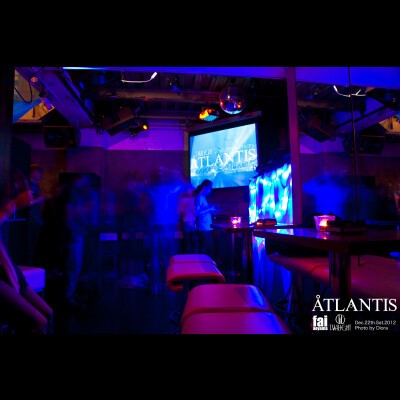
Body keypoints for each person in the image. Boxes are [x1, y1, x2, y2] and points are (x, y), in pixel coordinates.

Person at [0, 188, 53, 334]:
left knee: (48, 314)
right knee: (40, 321)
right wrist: (14, 205)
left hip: (7, 268)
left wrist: (13, 273)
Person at [194, 179, 219, 257]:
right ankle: (202, 263)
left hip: (207, 226)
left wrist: (211, 210)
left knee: (208, 248)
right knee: (204, 249)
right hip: (203, 227)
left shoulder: (202, 197)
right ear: (204, 187)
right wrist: (209, 208)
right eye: (209, 188)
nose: (210, 191)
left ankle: (206, 263)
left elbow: (203, 211)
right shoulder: (199, 198)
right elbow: (197, 213)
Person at [178, 184, 198, 254]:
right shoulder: (184, 199)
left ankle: (192, 255)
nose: (192, 191)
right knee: (188, 240)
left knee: (192, 240)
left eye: (192, 190)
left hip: (191, 221)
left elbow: (194, 211)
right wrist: (187, 209)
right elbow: (180, 210)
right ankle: (188, 255)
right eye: (191, 189)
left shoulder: (193, 198)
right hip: (187, 221)